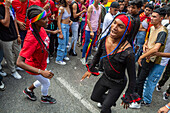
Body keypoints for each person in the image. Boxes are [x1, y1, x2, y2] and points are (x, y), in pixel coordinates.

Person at [81, 13, 141, 113]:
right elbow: (97, 56)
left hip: (118, 83)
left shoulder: (128, 52)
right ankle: (109, 101)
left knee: (105, 109)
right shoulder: (105, 39)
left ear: (126, 32)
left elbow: (133, 77)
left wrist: (128, 95)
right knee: (94, 97)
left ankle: (108, 103)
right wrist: (90, 69)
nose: (114, 27)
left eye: (120, 26)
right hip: (105, 77)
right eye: (114, 23)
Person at [17, 5, 60, 103]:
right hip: (35, 66)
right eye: (44, 19)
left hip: (41, 64)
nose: (47, 20)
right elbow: (19, 62)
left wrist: (52, 32)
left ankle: (28, 90)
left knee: (42, 80)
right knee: (46, 82)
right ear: (36, 21)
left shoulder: (39, 28)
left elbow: (43, 31)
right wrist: (41, 72)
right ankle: (44, 98)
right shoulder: (31, 39)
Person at [130, 8, 168, 108]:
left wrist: (142, 56)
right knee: (138, 78)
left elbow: (156, 49)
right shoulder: (152, 28)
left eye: (154, 17)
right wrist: (145, 45)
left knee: (141, 80)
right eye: (152, 15)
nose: (151, 18)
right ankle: (134, 97)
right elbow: (147, 39)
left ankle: (138, 101)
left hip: (150, 59)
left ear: (161, 18)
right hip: (145, 56)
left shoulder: (162, 31)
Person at [0, 0, 22, 79]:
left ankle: (17, 65)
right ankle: (13, 71)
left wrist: (18, 35)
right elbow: (6, 23)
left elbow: (15, 20)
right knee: (9, 56)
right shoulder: (3, 7)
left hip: (14, 35)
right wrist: (6, 7)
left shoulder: (9, 6)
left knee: (18, 52)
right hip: (5, 37)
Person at [80, 0, 101, 65]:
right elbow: (88, 19)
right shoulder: (91, 7)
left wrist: (98, 28)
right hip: (89, 29)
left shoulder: (100, 7)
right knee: (86, 43)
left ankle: (89, 54)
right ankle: (83, 57)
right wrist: (91, 30)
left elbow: (99, 19)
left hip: (95, 29)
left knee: (92, 43)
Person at [55, 0, 72, 65]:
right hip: (62, 27)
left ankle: (64, 56)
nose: (69, 0)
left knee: (66, 42)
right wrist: (60, 32)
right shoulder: (61, 8)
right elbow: (58, 20)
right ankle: (58, 59)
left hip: (67, 27)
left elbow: (67, 17)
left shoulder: (68, 6)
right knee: (62, 43)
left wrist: (70, 21)